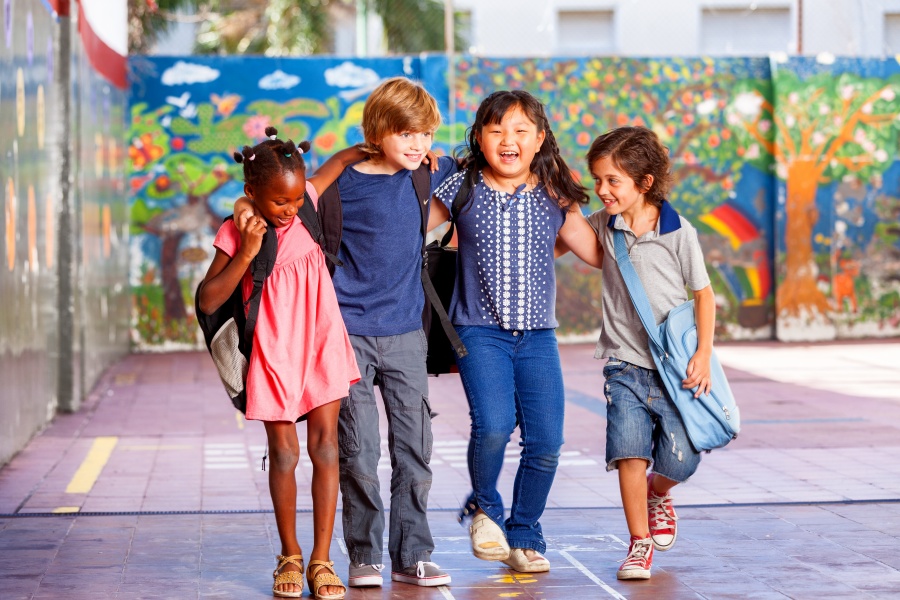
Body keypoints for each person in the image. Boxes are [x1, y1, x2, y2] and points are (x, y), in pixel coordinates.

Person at [428, 90, 603, 573]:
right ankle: (485, 509)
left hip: (539, 335)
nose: (509, 140)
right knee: (494, 425)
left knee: (546, 441)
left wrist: (637, 215)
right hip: (478, 331)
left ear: (540, 138)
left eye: (521, 130)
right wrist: (409, 169)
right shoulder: (461, 185)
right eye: (497, 130)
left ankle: (524, 532)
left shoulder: (555, 192)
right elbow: (409, 226)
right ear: (480, 138)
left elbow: (594, 252)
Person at [198, 127, 361, 599]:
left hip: (322, 337)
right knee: (286, 452)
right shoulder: (239, 229)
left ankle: (322, 560)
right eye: (279, 204)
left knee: (328, 447)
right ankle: (289, 555)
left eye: (294, 200)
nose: (290, 211)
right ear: (251, 193)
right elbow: (209, 299)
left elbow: (335, 166)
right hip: (274, 346)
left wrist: (366, 149)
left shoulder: (304, 199)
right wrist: (247, 251)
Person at [582, 126, 715, 580]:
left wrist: (703, 354)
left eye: (612, 181)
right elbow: (566, 232)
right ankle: (638, 544)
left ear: (645, 182)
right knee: (629, 453)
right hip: (624, 365)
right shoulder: (604, 224)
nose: (602, 191)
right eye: (597, 180)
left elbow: (704, 296)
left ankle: (660, 492)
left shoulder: (679, 233)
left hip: (674, 368)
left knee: (682, 458)